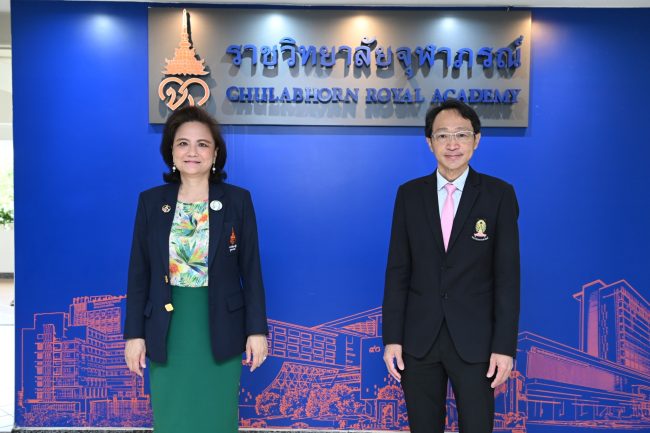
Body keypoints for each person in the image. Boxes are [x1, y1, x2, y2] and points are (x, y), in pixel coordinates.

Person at [124, 106, 268, 433]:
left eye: (202, 144)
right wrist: (134, 335)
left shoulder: (237, 201)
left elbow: (252, 270)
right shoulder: (151, 202)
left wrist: (257, 330)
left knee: (216, 414)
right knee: (172, 414)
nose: (192, 152)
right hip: (167, 326)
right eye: (183, 143)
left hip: (221, 324)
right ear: (171, 152)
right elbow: (138, 274)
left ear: (215, 153)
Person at [382, 99, 520, 433]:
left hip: (476, 342)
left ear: (477, 139)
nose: (452, 144)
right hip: (419, 341)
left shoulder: (498, 195)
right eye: (442, 135)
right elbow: (398, 271)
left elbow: (507, 277)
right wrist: (392, 339)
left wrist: (504, 347)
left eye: (461, 134)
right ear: (429, 142)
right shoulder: (409, 195)